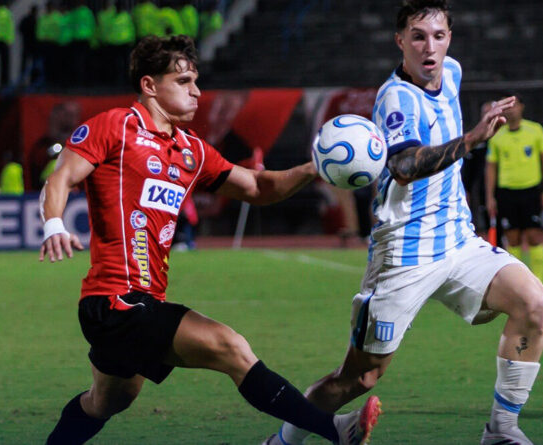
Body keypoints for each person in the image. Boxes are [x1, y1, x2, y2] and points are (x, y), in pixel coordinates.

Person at [39, 35, 381, 445]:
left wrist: (314, 168)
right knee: (230, 347)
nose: (197, 91)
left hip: (141, 303)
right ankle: (334, 431)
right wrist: (54, 224)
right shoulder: (116, 126)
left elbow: (257, 186)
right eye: (183, 81)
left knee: (106, 401)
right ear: (149, 85)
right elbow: (61, 177)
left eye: (196, 81)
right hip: (115, 301)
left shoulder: (191, 151)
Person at [266, 2, 543, 444]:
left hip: (457, 239)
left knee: (533, 302)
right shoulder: (395, 97)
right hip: (403, 252)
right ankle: (283, 441)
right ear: (400, 41)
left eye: (438, 36)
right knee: (358, 378)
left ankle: (502, 430)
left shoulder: (452, 71)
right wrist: (472, 139)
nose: (428, 47)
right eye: (417, 36)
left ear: (450, 38)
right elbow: (402, 166)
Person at [485, 93, 543, 283]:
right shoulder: (497, 135)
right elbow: (491, 167)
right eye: (508, 106)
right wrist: (490, 196)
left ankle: (538, 282)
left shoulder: (535, 130)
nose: (511, 110)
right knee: (512, 239)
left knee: (534, 236)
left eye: (514, 105)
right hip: (507, 192)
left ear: (522, 107)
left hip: (531, 190)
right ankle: (518, 283)